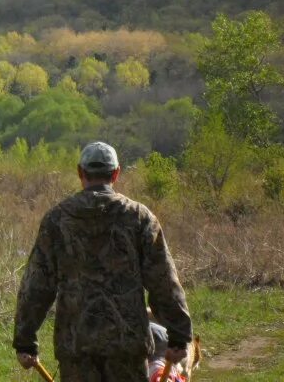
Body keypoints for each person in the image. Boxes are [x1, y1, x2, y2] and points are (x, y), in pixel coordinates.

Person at [13, 141, 192, 381]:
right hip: (127, 348)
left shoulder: (57, 220)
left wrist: (25, 341)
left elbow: (36, 286)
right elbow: (164, 282)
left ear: (80, 173)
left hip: (77, 347)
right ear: (116, 173)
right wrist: (179, 335)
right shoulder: (139, 218)